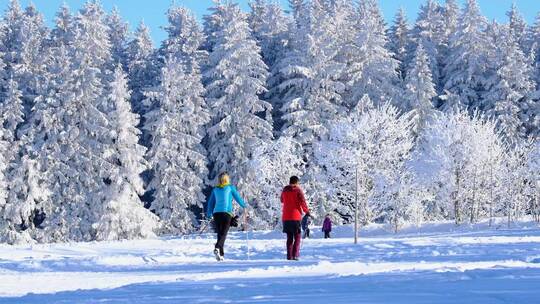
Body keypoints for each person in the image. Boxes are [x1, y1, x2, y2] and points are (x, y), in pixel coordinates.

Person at [206, 172, 246, 261]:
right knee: (223, 233)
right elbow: (238, 198)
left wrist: (209, 213)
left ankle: (221, 254)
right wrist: (244, 206)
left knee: (220, 233)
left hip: (216, 214)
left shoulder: (215, 189)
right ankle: (217, 247)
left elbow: (210, 203)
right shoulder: (230, 188)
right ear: (227, 179)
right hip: (226, 213)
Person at [281, 176, 310, 260]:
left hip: (286, 217)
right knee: (297, 236)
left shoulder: (284, 190)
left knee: (289, 237)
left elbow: (282, 200)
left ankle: (289, 256)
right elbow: (303, 202)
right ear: (297, 182)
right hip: (295, 217)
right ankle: (295, 255)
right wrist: (307, 211)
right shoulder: (298, 190)